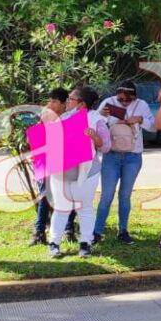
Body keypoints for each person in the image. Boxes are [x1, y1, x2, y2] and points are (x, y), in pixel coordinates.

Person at [47, 86, 109, 258]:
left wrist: (95, 137)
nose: (67, 102)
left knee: (85, 208)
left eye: (71, 99)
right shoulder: (61, 118)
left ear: (81, 104)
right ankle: (54, 244)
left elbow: (106, 146)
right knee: (61, 207)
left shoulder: (96, 120)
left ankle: (85, 244)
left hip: (87, 172)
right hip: (62, 170)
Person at [94, 81, 154, 244]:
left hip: (133, 155)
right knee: (107, 195)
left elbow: (153, 127)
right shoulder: (108, 103)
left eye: (129, 100)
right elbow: (96, 123)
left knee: (125, 195)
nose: (125, 103)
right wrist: (104, 116)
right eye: (121, 100)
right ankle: (97, 232)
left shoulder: (142, 105)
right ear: (117, 95)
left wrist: (140, 120)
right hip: (111, 155)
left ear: (135, 96)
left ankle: (123, 231)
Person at [29, 88, 71, 246]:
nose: (50, 104)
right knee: (44, 195)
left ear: (63, 103)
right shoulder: (45, 117)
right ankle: (39, 232)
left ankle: (68, 229)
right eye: (50, 101)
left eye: (54, 101)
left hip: (64, 162)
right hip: (45, 161)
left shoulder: (69, 117)